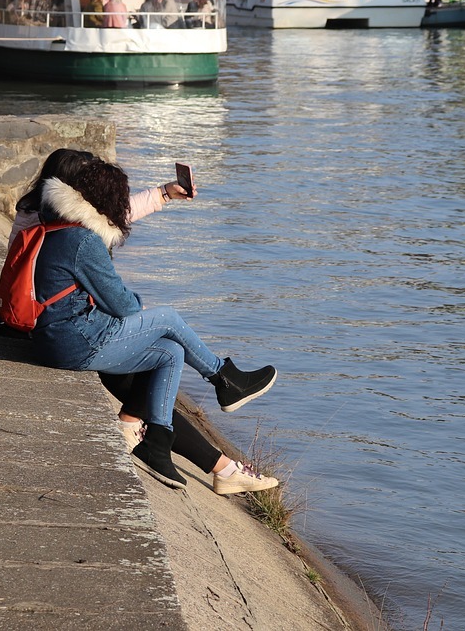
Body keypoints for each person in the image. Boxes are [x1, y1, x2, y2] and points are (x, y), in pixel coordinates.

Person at [20, 150, 280, 491]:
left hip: (59, 336)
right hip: (74, 340)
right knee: (167, 318)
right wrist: (139, 306)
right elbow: (124, 306)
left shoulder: (55, 222)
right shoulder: (82, 239)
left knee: (171, 351)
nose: (121, 208)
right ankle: (224, 379)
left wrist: (163, 194)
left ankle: (157, 443)